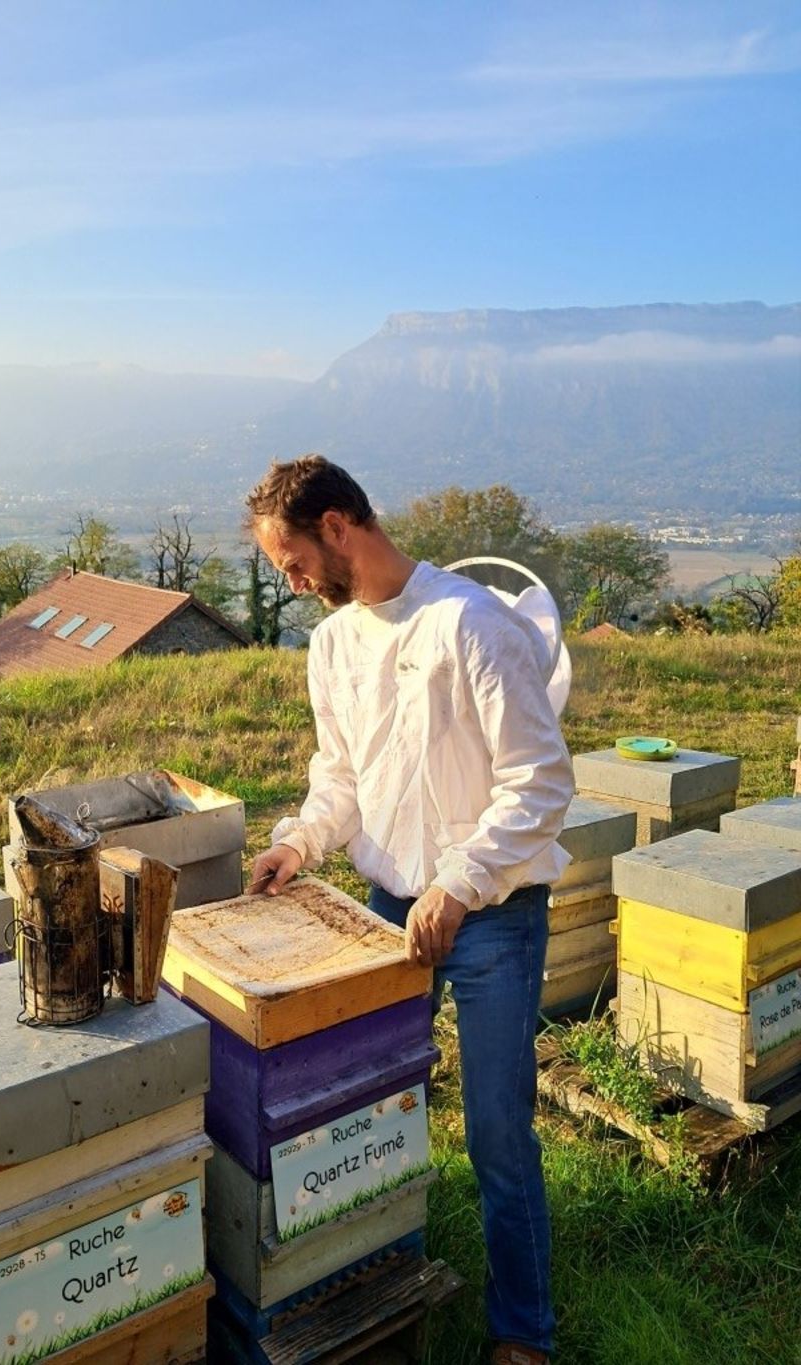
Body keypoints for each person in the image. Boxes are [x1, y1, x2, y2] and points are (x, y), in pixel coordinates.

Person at [246, 455, 574, 1365]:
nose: (293, 582)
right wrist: (297, 842)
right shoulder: (331, 645)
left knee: (500, 1133)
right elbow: (340, 779)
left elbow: (541, 781)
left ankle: (524, 1333)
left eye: (294, 560)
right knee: (370, 1113)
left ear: (340, 525)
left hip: (493, 916)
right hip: (389, 906)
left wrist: (459, 882)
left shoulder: (472, 621)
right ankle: (375, 1284)